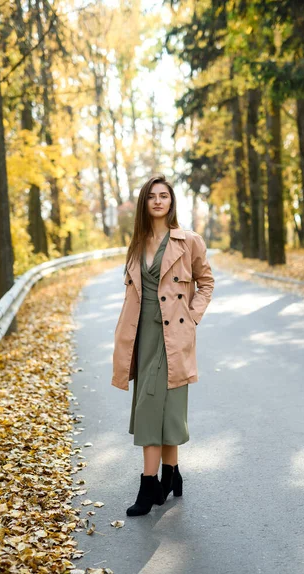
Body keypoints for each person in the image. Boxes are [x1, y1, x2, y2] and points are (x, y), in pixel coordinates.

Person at [111, 174, 215, 517]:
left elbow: (206, 282)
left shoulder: (189, 241)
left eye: (164, 196)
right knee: (163, 409)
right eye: (152, 196)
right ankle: (172, 476)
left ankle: (149, 485)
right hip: (143, 335)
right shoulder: (138, 243)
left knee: (154, 409)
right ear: (145, 203)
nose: (158, 201)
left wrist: (193, 317)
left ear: (171, 202)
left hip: (175, 334)